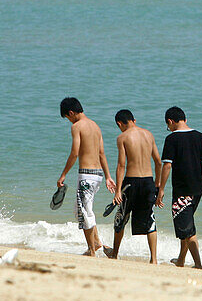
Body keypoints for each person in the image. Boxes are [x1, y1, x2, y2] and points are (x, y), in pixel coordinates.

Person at [157, 106, 202, 269]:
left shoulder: (171, 139)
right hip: (198, 189)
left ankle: (198, 264)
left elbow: (167, 166)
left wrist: (161, 189)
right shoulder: (199, 136)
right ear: (185, 118)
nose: (168, 128)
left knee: (187, 230)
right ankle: (181, 260)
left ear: (170, 121)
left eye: (168, 125)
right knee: (186, 224)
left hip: (182, 190)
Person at [57, 97, 116, 257]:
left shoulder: (77, 126)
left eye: (68, 118)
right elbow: (102, 153)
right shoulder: (95, 126)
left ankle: (91, 249)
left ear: (71, 113)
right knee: (84, 209)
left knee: (83, 212)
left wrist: (63, 174)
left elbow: (75, 152)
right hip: (98, 175)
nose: (69, 121)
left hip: (86, 175)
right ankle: (97, 243)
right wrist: (109, 176)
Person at [108, 109, 163, 263]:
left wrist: (118, 190)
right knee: (150, 219)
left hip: (131, 183)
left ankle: (115, 254)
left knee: (121, 217)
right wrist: (157, 185)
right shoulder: (149, 135)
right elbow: (158, 162)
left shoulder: (122, 137)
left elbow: (121, 165)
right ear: (134, 120)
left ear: (120, 124)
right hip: (148, 181)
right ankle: (153, 259)